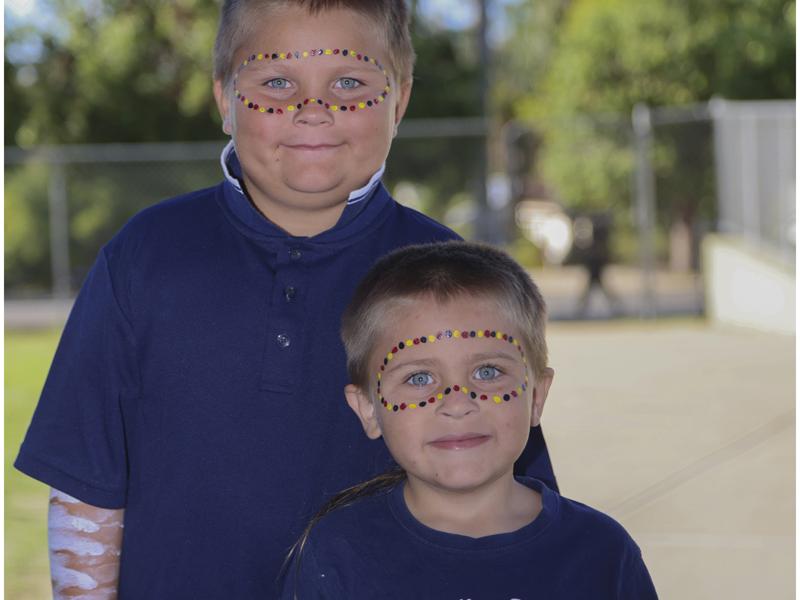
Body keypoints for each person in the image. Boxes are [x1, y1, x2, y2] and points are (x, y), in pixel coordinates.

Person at [14, 2, 557, 598]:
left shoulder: (451, 274)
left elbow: (507, 497)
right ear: (225, 99)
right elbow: (85, 490)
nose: (314, 111)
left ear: (398, 100)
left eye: (349, 82)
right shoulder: (145, 256)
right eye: (277, 83)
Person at [280, 241, 657, 600]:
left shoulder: (602, 553)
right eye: (419, 379)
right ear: (368, 409)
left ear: (537, 396)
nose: (457, 403)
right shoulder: (337, 554)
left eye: (488, 372)